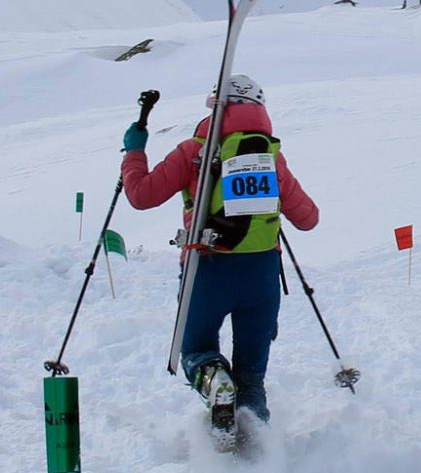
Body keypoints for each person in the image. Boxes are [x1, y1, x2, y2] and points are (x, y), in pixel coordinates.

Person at [120, 73, 320, 427]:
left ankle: (213, 378)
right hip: (262, 274)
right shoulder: (271, 157)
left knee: (196, 349)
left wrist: (134, 151)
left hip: (207, 268)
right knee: (251, 375)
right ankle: (256, 444)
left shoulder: (193, 151)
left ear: (214, 108)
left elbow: (141, 196)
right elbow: (309, 220)